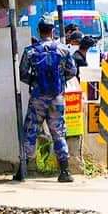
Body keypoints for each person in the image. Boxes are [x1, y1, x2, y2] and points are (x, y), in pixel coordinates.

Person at [15, 21, 78, 183]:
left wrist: (35, 82)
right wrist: (60, 81)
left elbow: (22, 73)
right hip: (57, 97)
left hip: (38, 97)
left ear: (39, 30)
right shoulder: (64, 49)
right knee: (58, 132)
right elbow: (72, 71)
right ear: (52, 30)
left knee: (30, 131)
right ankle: (65, 171)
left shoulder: (30, 51)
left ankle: (22, 171)